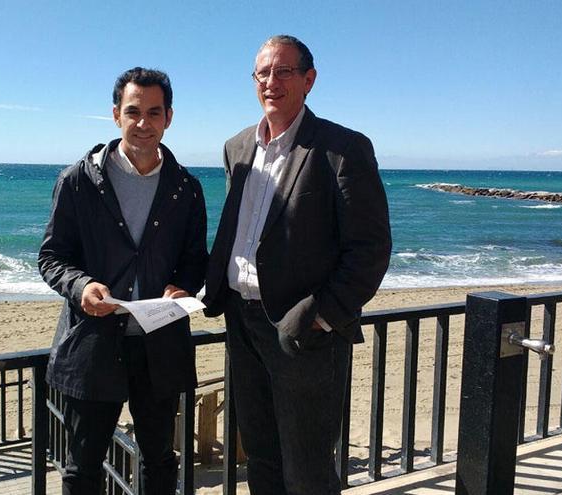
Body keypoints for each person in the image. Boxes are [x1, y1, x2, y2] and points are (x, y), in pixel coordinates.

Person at [203, 35, 392, 494]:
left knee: (307, 468)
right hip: (241, 322)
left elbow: (370, 247)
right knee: (261, 457)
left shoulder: (341, 148)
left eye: (283, 71)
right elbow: (240, 230)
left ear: (309, 80)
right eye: (262, 73)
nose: (271, 81)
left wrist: (324, 315)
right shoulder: (237, 147)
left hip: (302, 330)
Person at [38, 67, 208, 495]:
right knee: (82, 469)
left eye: (154, 112)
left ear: (169, 117)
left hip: (159, 345)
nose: (143, 123)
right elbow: (52, 256)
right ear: (116, 115)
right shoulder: (78, 180)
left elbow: (194, 259)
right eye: (133, 112)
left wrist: (182, 286)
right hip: (94, 345)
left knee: (160, 462)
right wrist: (81, 287)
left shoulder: (186, 188)